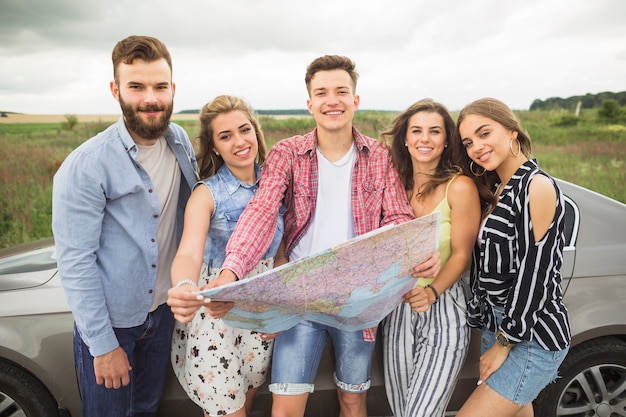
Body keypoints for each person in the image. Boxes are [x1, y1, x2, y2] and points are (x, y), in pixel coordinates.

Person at [169, 55, 439, 417]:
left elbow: (397, 218)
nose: (333, 100)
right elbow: (261, 214)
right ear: (310, 103)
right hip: (299, 297)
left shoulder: (378, 155)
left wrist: (417, 254)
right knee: (284, 408)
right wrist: (229, 275)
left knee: (353, 399)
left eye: (342, 91)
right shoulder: (287, 153)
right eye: (322, 93)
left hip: (359, 299)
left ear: (355, 100)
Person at [51, 35, 198, 417]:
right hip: (112, 323)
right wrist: (101, 345)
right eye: (136, 87)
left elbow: (193, 214)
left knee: (147, 409)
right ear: (116, 90)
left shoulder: (178, 141)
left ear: (172, 89)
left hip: (162, 311)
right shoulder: (87, 165)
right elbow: (76, 262)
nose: (150, 98)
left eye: (159, 86)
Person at [166, 95, 285, 417]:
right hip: (215, 318)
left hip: (259, 312)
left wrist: (279, 308)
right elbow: (189, 251)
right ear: (215, 147)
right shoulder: (207, 193)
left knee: (245, 400)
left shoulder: (278, 186)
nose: (239, 142)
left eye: (244, 130)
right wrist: (187, 285)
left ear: (256, 132)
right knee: (227, 410)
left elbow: (282, 254)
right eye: (225, 136)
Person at [454, 98, 571, 417]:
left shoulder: (537, 186)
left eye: (484, 133)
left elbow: (535, 275)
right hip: (499, 324)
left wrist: (503, 344)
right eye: (468, 142)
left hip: (529, 337)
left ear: (512, 132)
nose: (476, 146)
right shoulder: (497, 188)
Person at [380, 98, 481, 416]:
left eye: (434, 131)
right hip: (397, 308)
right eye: (417, 131)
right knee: (403, 412)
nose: (425, 138)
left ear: (446, 140)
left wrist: (432, 291)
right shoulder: (392, 184)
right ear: (405, 138)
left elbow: (462, 254)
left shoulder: (460, 187)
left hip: (444, 305)